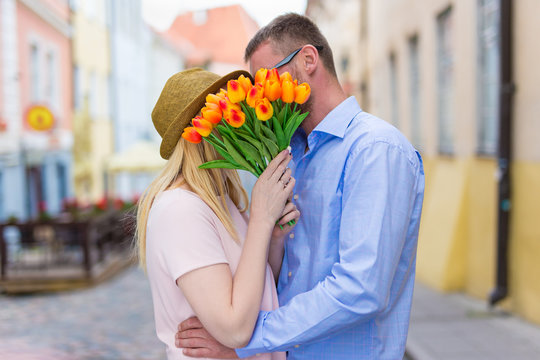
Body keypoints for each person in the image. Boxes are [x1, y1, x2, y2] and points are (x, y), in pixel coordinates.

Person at [176, 14, 425, 359]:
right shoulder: (288, 152)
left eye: (266, 78)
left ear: (308, 60)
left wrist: (246, 339)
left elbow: (360, 288)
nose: (260, 94)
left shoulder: (375, 150)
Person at [136, 68, 300, 360]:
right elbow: (235, 329)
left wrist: (272, 239)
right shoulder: (180, 210)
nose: (240, 119)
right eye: (226, 110)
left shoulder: (221, 202)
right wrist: (261, 218)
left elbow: (257, 293)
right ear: (201, 133)